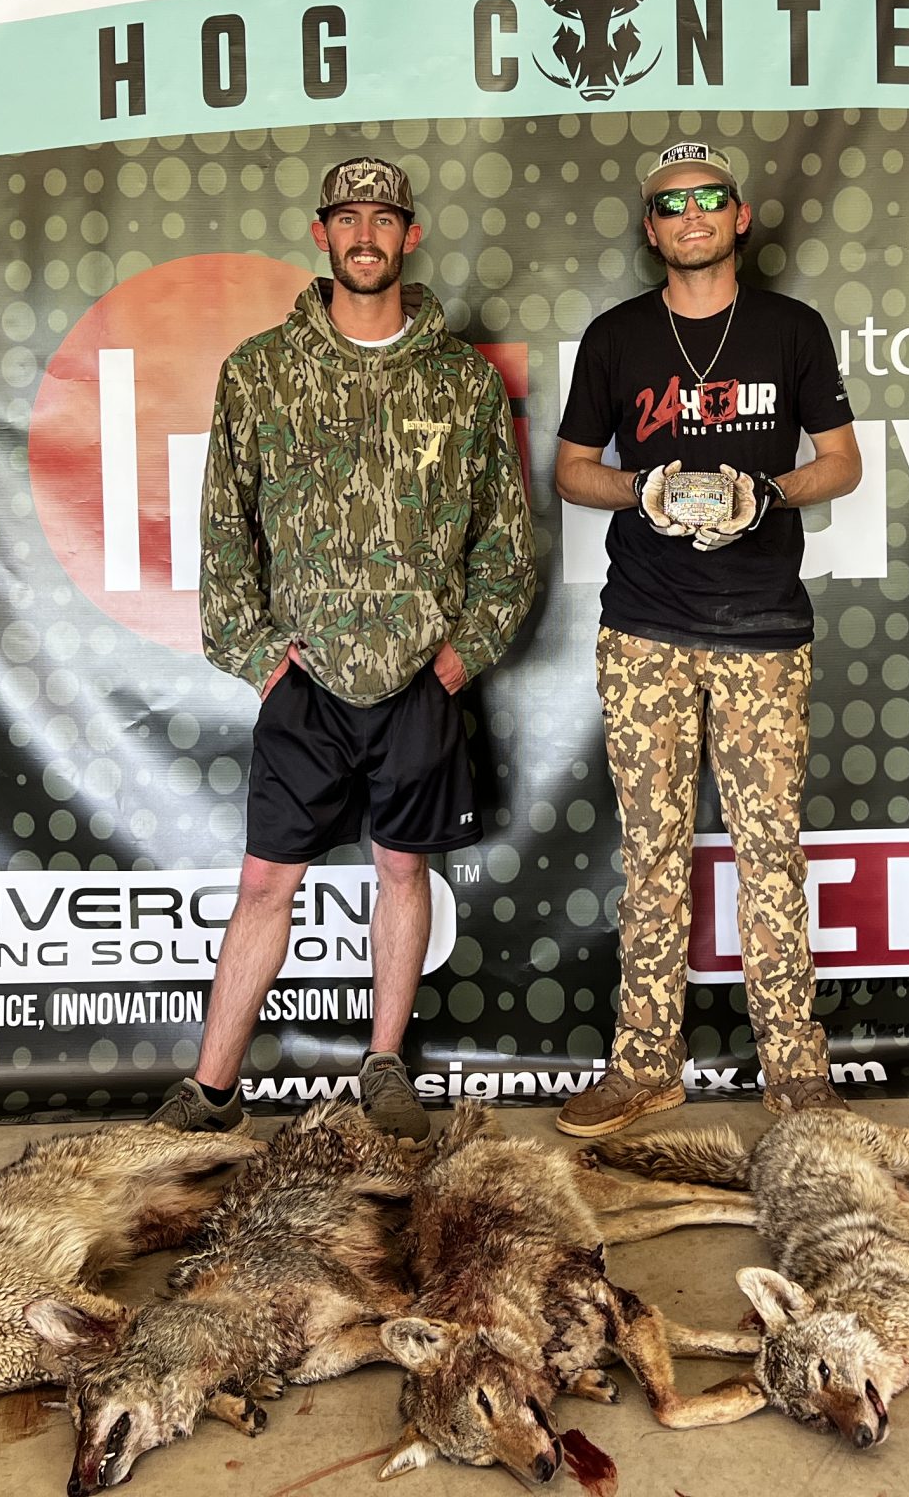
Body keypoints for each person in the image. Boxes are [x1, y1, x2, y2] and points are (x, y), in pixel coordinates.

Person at [148, 156, 536, 1142]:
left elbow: (505, 545)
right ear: (321, 234)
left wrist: (461, 656)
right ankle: (212, 1087)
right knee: (263, 884)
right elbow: (223, 530)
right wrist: (258, 657)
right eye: (348, 218)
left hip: (420, 677)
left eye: (384, 218)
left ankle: (385, 1063)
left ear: (410, 235)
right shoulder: (260, 372)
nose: (367, 234)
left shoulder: (462, 382)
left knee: (402, 871)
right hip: (305, 677)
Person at [548, 141, 863, 1138]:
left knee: (770, 852)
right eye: (671, 203)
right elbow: (570, 470)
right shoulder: (616, 338)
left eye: (709, 198)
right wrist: (639, 488)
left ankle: (796, 1072)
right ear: (651, 228)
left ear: (740, 215)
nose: (691, 215)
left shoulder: (791, 329)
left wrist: (766, 491)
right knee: (651, 853)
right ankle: (644, 1065)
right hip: (645, 627)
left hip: (763, 630)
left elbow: (842, 462)